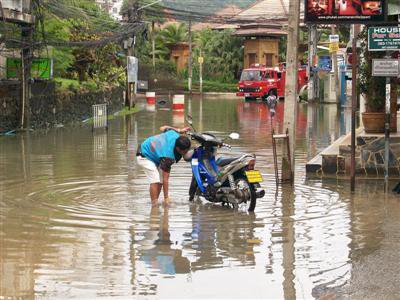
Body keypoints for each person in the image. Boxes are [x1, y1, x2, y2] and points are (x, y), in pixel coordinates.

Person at [136, 125, 191, 206]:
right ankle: (154, 206)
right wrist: (166, 198)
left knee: (160, 180)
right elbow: (166, 179)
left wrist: (180, 130)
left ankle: (155, 201)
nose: (186, 153)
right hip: (144, 155)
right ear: (178, 149)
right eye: (185, 151)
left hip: (155, 155)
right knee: (155, 180)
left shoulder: (175, 135)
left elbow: (163, 128)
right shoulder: (168, 156)